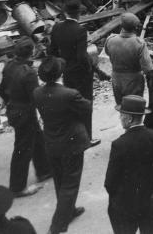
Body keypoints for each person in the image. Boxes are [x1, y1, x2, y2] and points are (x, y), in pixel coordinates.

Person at [33, 57, 90, 234]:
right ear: (60, 74)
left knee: (60, 180)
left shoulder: (37, 92)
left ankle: (69, 210)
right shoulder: (70, 94)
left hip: (51, 141)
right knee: (71, 182)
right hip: (71, 141)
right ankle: (58, 224)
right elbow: (87, 108)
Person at [104, 95, 153, 234]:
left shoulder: (119, 144)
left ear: (129, 118)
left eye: (121, 115)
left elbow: (110, 182)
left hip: (127, 207)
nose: (120, 118)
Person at [0, 38, 51, 198]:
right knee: (22, 150)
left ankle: (44, 170)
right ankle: (17, 187)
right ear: (31, 53)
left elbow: (1, 90)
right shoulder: (29, 73)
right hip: (25, 114)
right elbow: (36, 96)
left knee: (38, 139)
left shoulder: (9, 66)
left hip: (14, 110)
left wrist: (11, 102)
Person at [47, 0, 97, 146]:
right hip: (81, 73)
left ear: (65, 12)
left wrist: (61, 65)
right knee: (86, 104)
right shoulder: (80, 30)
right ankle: (87, 137)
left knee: (70, 103)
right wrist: (90, 68)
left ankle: (72, 135)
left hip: (66, 72)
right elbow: (82, 56)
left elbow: (52, 51)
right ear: (78, 13)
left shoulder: (56, 27)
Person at [104, 13, 152, 105]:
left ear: (121, 25)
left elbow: (107, 53)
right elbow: (148, 68)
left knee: (120, 105)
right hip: (134, 80)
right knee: (134, 108)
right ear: (136, 28)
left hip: (116, 78)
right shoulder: (139, 43)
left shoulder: (110, 39)